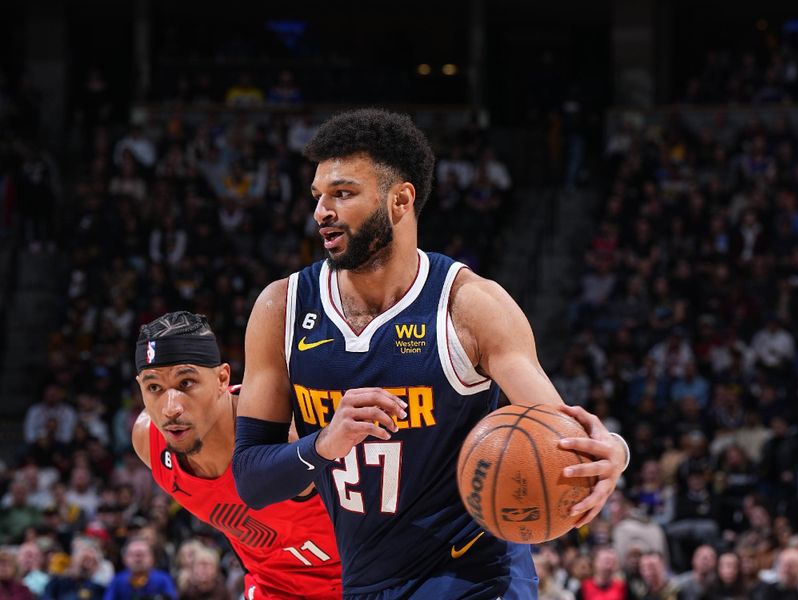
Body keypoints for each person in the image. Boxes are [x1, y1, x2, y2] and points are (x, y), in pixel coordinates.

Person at [232, 108, 629, 598]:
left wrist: (614, 452)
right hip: (366, 578)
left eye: (343, 193)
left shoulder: (470, 305)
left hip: (476, 574)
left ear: (400, 199)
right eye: (318, 196)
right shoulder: (281, 308)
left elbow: (557, 431)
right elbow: (250, 479)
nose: (322, 212)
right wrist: (324, 444)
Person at [131, 311, 341, 600]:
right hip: (270, 588)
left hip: (355, 583)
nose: (170, 408)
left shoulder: (285, 433)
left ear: (222, 378)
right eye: (153, 387)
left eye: (186, 383)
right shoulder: (148, 441)